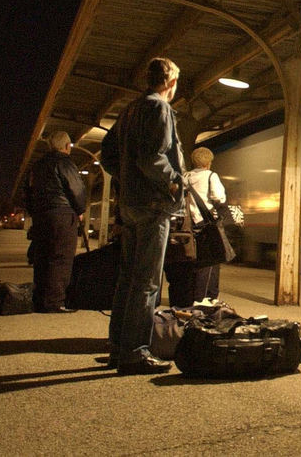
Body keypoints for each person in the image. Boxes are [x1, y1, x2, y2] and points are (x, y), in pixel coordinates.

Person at [100, 57, 185, 374]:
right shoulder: (159, 108)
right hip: (152, 204)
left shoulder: (128, 110)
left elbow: (107, 155)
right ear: (171, 82)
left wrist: (124, 177)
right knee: (147, 282)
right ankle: (135, 352)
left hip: (130, 204)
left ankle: (118, 348)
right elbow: (153, 157)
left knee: (128, 278)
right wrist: (173, 181)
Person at [23, 131, 87, 313]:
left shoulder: (37, 166)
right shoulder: (65, 163)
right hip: (62, 215)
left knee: (42, 256)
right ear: (67, 146)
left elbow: (26, 192)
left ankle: (39, 299)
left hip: (41, 216)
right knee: (61, 258)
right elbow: (77, 189)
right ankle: (54, 301)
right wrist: (80, 209)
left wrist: (33, 211)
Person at [164, 147, 227, 306]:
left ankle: (188, 298)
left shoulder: (185, 176)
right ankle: (205, 299)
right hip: (203, 225)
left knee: (189, 261)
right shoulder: (211, 176)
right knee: (209, 261)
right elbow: (218, 197)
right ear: (209, 162)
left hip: (186, 225)